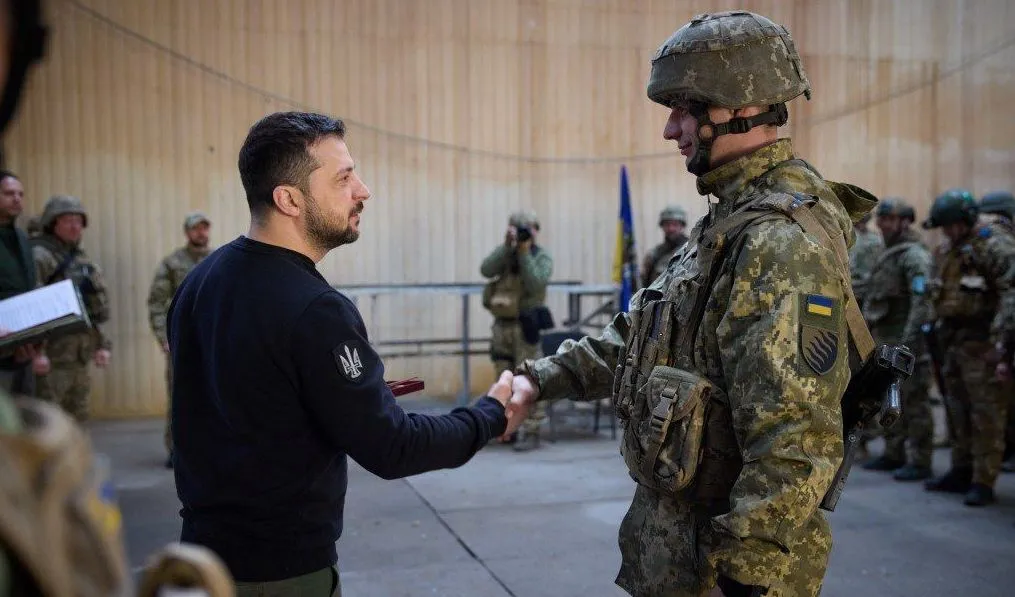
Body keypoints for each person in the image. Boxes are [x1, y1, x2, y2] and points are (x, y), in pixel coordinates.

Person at [505, 11, 879, 596]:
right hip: (680, 554)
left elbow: (796, 436)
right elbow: (638, 338)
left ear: (735, 107)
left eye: (682, 109)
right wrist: (538, 380)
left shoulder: (779, 242)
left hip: (722, 570)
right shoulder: (727, 223)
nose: (669, 129)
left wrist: (748, 570)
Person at [167, 111, 523, 594]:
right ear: (289, 199)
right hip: (280, 576)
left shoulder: (199, 283)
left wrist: (346, 395)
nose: (363, 190)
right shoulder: (316, 310)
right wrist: (490, 416)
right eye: (343, 178)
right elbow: (393, 446)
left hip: (201, 564)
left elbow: (252, 401)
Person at [922, 188, 1015, 506]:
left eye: (950, 226)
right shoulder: (949, 248)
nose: (947, 232)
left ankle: (983, 480)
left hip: (983, 342)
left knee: (986, 413)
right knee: (957, 409)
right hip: (953, 341)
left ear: (965, 220)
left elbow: (1011, 294)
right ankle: (961, 470)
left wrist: (1003, 345)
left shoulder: (994, 244)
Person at [859, 198, 934, 481]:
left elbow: (921, 301)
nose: (884, 224)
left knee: (915, 402)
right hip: (887, 341)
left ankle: (921, 460)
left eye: (890, 219)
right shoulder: (887, 252)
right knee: (891, 397)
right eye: (882, 219)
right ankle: (894, 453)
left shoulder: (913, 255)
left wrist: (909, 341)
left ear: (904, 222)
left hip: (906, 343)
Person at [31, 195, 112, 422]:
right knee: (49, 425)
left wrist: (101, 345)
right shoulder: (40, 257)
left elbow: (91, 308)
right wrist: (37, 353)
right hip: (51, 358)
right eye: (68, 220)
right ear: (52, 223)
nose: (75, 226)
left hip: (78, 356)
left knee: (78, 422)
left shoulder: (80, 259)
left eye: (78, 221)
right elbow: (32, 309)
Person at [480, 209, 553, 451]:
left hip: (525, 326)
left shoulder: (541, 257)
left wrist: (523, 252)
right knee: (502, 379)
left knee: (530, 379)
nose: (523, 233)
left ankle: (531, 431)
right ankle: (505, 428)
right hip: (502, 326)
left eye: (527, 229)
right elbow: (486, 270)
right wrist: (506, 246)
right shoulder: (506, 255)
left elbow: (536, 283)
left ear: (535, 231)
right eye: (518, 228)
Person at [147, 211, 213, 468]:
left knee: (214, 396)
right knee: (180, 397)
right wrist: (164, 337)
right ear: (187, 232)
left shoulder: (219, 260)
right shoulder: (172, 264)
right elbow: (156, 302)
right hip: (182, 342)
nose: (201, 232)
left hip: (212, 341)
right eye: (196, 228)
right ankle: (176, 449)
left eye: (204, 228)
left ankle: (211, 447)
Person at [0, 170, 48, 394]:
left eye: (20, 194)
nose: (17, 198)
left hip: (20, 350)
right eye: (9, 193)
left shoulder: (21, 238)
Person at [641, 205, 689, 288]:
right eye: (667, 224)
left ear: (682, 226)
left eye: (675, 224)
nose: (671, 229)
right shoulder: (653, 255)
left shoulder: (692, 250)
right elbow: (645, 285)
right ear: (662, 226)